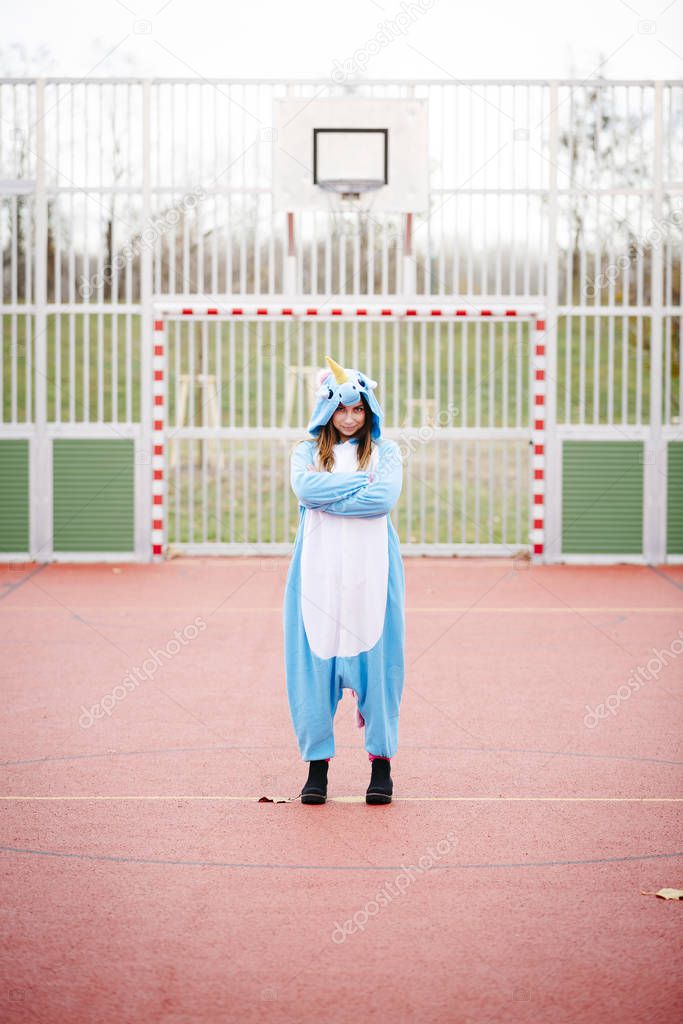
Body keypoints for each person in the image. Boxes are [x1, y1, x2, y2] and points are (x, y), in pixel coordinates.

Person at [283, 354, 405, 806]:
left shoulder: (386, 452)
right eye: (341, 409)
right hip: (318, 574)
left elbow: (383, 499)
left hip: (372, 575)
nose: (350, 418)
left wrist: (330, 497)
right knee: (313, 667)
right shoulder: (307, 452)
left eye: (358, 409)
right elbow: (305, 489)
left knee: (380, 667)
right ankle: (317, 769)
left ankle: (381, 766)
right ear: (326, 410)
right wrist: (358, 487)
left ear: (368, 410)